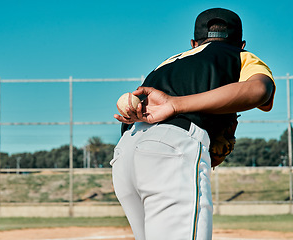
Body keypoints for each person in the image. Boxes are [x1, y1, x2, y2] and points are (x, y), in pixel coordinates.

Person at [111, 8, 275, 240]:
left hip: (125, 154)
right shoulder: (239, 55)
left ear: (193, 43)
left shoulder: (165, 64)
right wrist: (176, 104)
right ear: (241, 43)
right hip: (170, 150)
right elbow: (260, 90)